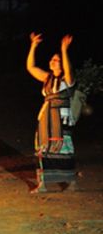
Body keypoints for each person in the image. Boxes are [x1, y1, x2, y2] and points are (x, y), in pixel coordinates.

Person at [26, 33, 77, 193]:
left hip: (61, 118)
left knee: (64, 149)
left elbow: (68, 70)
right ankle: (42, 184)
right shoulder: (47, 78)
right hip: (46, 119)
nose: (52, 61)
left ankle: (71, 182)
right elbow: (30, 67)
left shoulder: (67, 79)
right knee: (43, 149)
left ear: (62, 64)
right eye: (52, 59)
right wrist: (33, 46)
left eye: (56, 60)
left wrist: (64, 50)